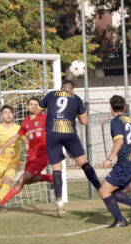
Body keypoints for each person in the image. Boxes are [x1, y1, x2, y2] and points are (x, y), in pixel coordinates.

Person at [39, 80, 101, 217]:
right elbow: (85, 122)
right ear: (72, 90)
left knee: (56, 168)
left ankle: (59, 201)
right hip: (69, 134)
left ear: (61, 88)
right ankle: (101, 189)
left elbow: (38, 109)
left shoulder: (51, 95)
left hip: (52, 134)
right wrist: (79, 116)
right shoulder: (77, 99)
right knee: (83, 162)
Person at [0, 98, 52, 213]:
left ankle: (0, 204)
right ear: (27, 107)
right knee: (28, 181)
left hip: (42, 155)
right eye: (31, 104)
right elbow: (16, 137)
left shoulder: (45, 118)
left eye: (36, 104)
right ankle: (50, 178)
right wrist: (1, 149)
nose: (33, 106)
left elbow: (56, 128)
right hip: (31, 156)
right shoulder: (25, 122)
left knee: (21, 180)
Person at [99, 95, 131, 228]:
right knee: (114, 192)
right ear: (124, 107)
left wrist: (109, 158)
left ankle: (120, 219)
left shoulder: (116, 122)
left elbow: (119, 141)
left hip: (126, 163)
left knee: (104, 191)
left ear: (110, 108)